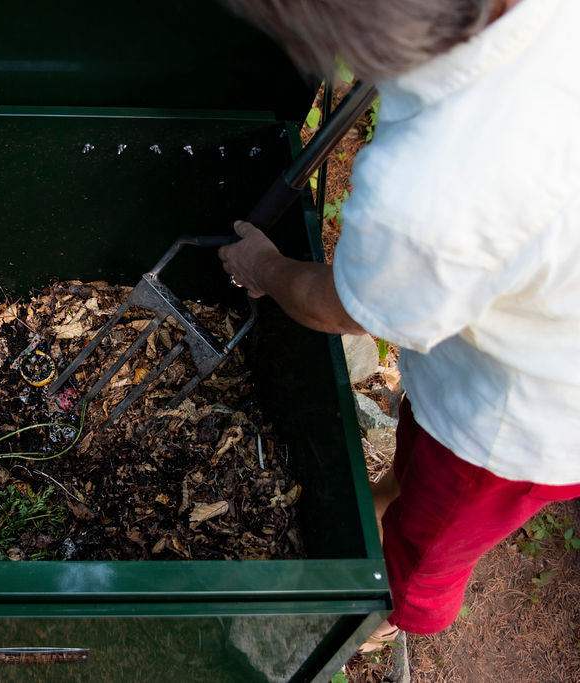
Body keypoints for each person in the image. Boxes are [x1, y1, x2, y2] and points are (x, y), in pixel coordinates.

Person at [219, 0, 580, 652]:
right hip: (518, 332)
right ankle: (388, 498)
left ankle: (373, 619)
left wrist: (265, 267)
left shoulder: (436, 192)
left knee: (427, 549)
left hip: (521, 424)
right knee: (415, 468)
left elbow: (335, 309)